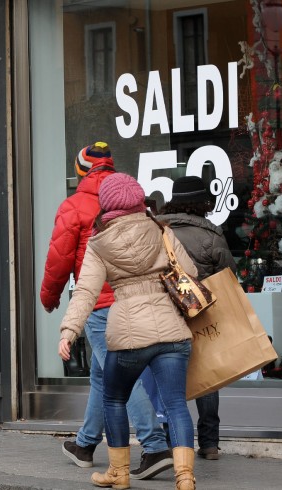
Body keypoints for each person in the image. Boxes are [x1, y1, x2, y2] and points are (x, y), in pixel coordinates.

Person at [40, 142, 173, 480]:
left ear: (82, 170)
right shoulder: (132, 200)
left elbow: (59, 259)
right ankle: (85, 445)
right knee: (102, 375)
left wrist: (50, 297)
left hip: (100, 304)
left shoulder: (75, 205)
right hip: (136, 296)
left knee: (120, 376)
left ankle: (155, 446)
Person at [59, 172, 198, 490]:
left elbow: (86, 292)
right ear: (139, 201)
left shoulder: (99, 241)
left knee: (113, 398)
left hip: (129, 334)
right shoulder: (161, 229)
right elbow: (189, 272)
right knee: (176, 403)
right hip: (172, 330)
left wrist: (69, 331)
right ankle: (185, 477)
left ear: (106, 206)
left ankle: (119, 473)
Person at [156, 176, 237, 461]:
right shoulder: (211, 234)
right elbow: (228, 276)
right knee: (208, 375)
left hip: (164, 312)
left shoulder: (158, 229)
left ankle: (171, 441)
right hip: (200, 312)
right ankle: (210, 443)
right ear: (202, 202)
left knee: (167, 378)